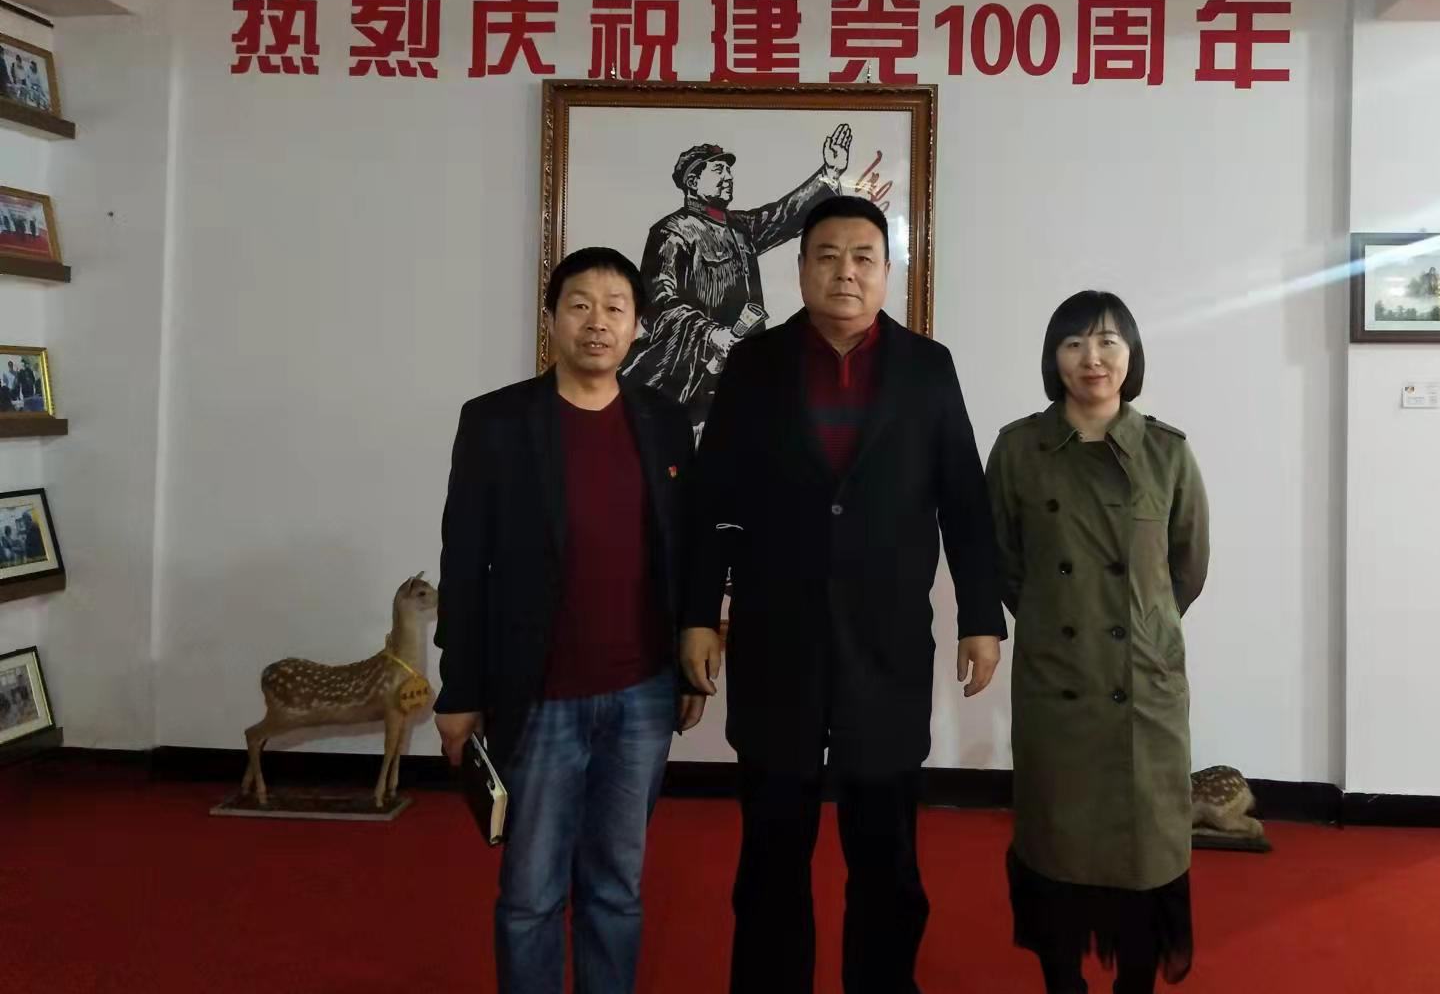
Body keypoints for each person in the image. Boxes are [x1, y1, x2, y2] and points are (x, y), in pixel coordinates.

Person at [681, 194, 1007, 994]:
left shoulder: (927, 368)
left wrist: (980, 617)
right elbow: (713, 500)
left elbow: (963, 502)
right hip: (776, 643)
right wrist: (697, 614)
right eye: (826, 256)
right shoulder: (754, 365)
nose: (845, 272)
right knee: (770, 854)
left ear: (886, 271)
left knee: (886, 856)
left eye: (862, 257)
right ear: (799, 269)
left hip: (885, 648)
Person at [434, 246, 703, 994]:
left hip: (642, 693)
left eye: (616, 307)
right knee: (530, 893)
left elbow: (683, 551)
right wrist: (460, 689)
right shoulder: (496, 422)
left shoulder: (664, 422)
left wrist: (687, 667)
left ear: (638, 325)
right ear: (551, 317)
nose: (597, 322)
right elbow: (464, 562)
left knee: (617, 886)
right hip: (538, 694)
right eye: (579, 304)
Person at [985, 291, 1209, 994]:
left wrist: (1140, 627)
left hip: (1141, 685)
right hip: (1057, 683)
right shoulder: (1018, 449)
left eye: (1109, 341)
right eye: (1074, 343)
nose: (1093, 358)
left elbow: (1187, 567)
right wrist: (1058, 616)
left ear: (1131, 355)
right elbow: (1002, 562)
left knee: (1146, 850)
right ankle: (1063, 982)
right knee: (1054, 847)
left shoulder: (1167, 452)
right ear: (1052, 357)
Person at [623, 124, 852, 433]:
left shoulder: (740, 227)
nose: (728, 177)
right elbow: (659, 303)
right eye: (719, 170)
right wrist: (710, 334)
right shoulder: (671, 232)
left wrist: (830, 173)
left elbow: (783, 215)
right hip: (691, 375)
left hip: (748, 371)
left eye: (729, 170)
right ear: (693, 181)